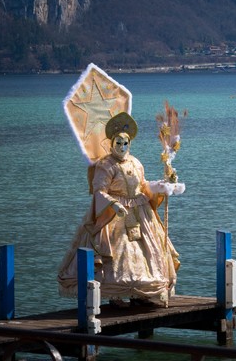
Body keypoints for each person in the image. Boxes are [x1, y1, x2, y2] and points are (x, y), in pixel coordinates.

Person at [58, 112, 180, 307]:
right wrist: (114, 204)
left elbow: (142, 185)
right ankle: (116, 295)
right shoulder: (105, 165)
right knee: (119, 252)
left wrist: (162, 186)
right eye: (118, 143)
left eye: (126, 144)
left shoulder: (136, 162)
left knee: (147, 252)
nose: (122, 148)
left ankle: (142, 293)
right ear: (112, 143)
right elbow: (99, 191)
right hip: (113, 217)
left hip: (140, 213)